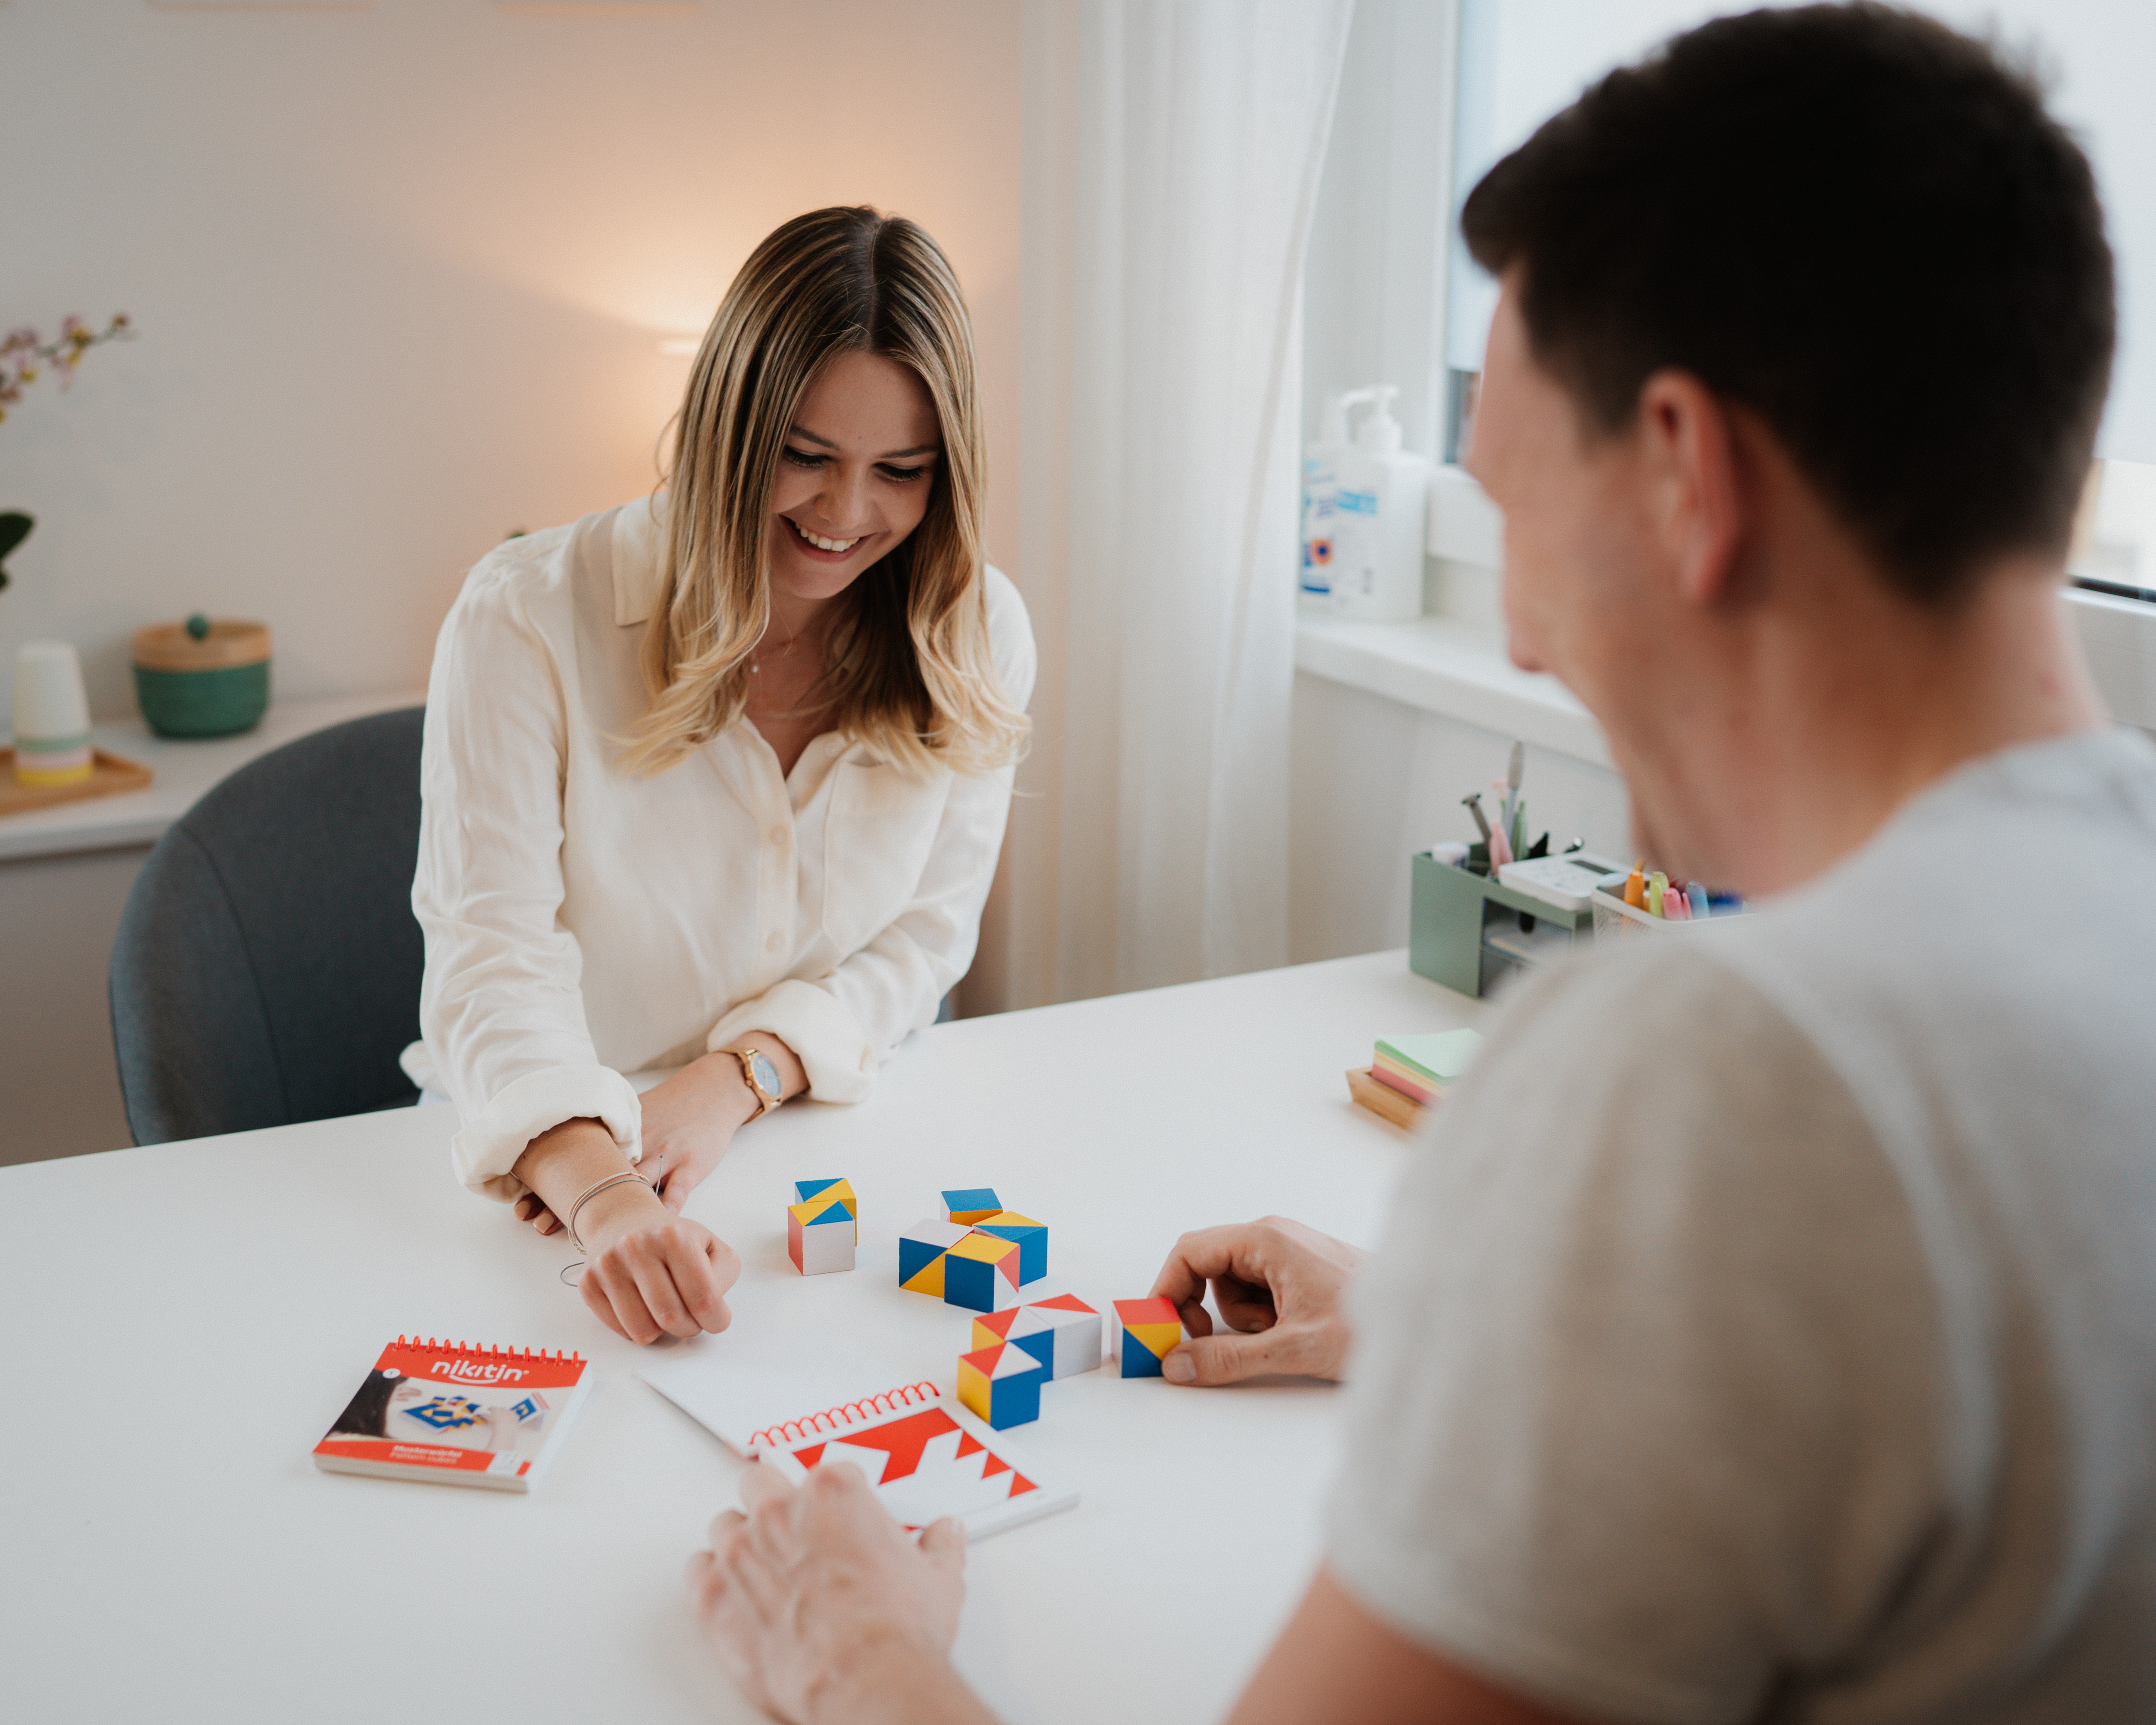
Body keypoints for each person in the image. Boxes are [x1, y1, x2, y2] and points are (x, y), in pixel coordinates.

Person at [683, 8, 2156, 1722]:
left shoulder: (1717, 1082)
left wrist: (852, 1646)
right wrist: (1482, 1326)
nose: (1521, 633)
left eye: (1511, 508)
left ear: (1685, 476)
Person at [407, 207, 1034, 1347]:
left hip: (808, 1130)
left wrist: (738, 1076)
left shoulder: (977, 630)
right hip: (548, 1167)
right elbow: (491, 954)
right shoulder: (523, 615)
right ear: (725, 425)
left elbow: (924, 944)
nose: (846, 515)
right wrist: (603, 1192)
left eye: (900, 471)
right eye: (804, 457)